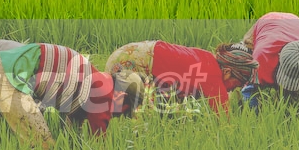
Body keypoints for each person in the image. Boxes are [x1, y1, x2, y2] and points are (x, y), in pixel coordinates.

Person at [0, 43, 144, 150]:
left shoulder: (89, 86)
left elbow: (72, 132)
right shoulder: (103, 90)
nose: (115, 116)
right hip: (9, 73)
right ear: (121, 96)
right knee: (44, 148)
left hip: (6, 68)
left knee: (12, 137)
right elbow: (98, 144)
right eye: (124, 111)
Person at [104, 40, 258, 113]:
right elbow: (224, 122)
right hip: (133, 62)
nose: (235, 89)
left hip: (126, 54)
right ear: (227, 72)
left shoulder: (206, 59)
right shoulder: (213, 77)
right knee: (142, 118)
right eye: (238, 83)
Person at [240, 12, 299, 117]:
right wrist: (254, 118)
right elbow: (247, 90)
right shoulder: (260, 57)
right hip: (268, 21)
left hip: (297, 23)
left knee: (292, 96)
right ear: (279, 58)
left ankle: (288, 98)